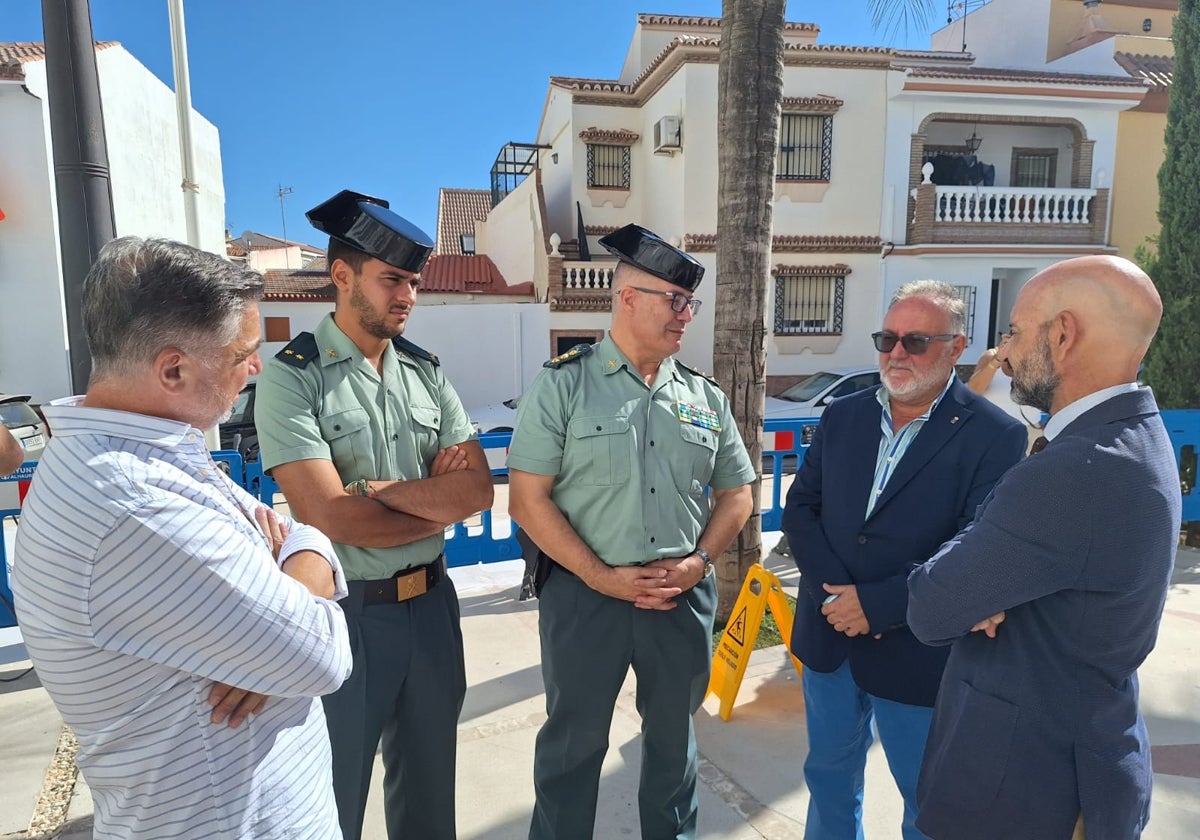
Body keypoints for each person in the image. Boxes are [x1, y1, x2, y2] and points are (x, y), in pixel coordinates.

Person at [11, 237, 352, 840]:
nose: (256, 368)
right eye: (244, 352)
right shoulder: (133, 501)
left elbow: (302, 535)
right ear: (173, 369)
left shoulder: (146, 450)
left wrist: (276, 604)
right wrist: (279, 629)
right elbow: (321, 655)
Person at [908, 256, 1179, 840]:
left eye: (1013, 331)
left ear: (1062, 333)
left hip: (1028, 789)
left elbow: (930, 606)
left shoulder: (1075, 469)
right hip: (1076, 762)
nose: (1002, 353)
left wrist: (973, 567)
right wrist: (982, 559)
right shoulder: (1131, 436)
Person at [254, 189, 493, 840]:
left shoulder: (426, 373)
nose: (407, 295)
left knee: (428, 802)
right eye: (392, 279)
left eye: (413, 282)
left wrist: (382, 492)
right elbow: (333, 519)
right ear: (342, 276)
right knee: (335, 804)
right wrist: (429, 504)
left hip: (432, 612)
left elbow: (477, 491)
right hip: (348, 617)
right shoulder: (294, 377)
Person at [507, 223, 756, 840]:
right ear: (628, 299)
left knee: (675, 749)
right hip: (586, 598)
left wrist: (701, 561)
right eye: (675, 301)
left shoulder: (704, 396)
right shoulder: (563, 383)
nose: (685, 316)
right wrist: (601, 577)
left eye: (689, 303)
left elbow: (739, 494)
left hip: (679, 600)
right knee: (572, 747)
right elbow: (526, 500)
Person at [781, 280, 1027, 840]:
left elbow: (975, 547)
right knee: (828, 778)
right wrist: (837, 597)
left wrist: (879, 604)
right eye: (887, 338)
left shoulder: (996, 436)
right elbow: (802, 509)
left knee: (927, 801)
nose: (896, 353)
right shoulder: (843, 416)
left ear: (956, 346)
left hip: (919, 650)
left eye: (915, 341)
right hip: (829, 637)